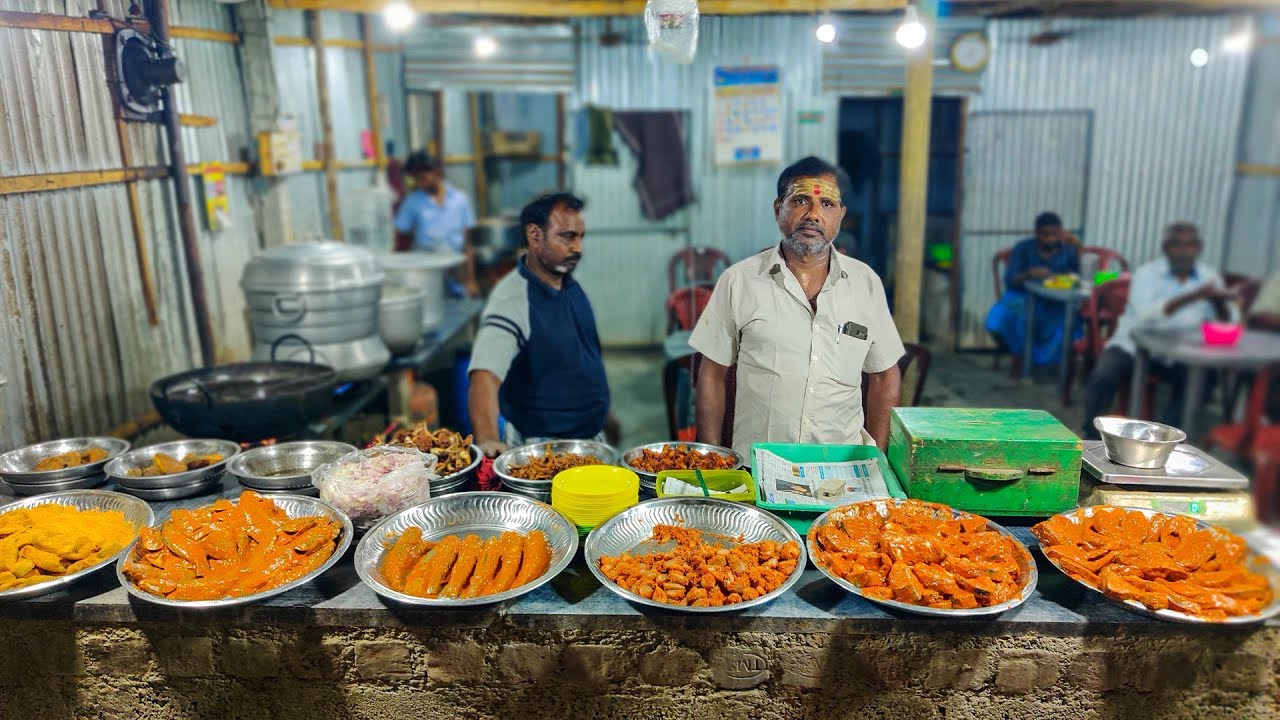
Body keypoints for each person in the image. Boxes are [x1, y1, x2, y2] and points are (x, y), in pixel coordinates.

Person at [691, 156, 905, 461]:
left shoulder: (865, 284)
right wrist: (714, 462)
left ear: (841, 214)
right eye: (801, 200)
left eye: (827, 204)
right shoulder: (739, 281)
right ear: (778, 208)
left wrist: (878, 461)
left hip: (843, 469)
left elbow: (885, 377)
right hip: (760, 467)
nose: (813, 214)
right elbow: (711, 375)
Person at [467, 192, 618, 457]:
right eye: (568, 237)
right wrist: (488, 438)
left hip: (588, 436)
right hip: (540, 449)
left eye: (581, 237)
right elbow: (484, 376)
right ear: (535, 236)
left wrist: (603, 412)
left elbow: (582, 356)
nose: (578, 247)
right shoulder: (513, 298)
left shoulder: (570, 286)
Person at [1082, 222, 1239, 437]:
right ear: (1166, 248)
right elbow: (1146, 314)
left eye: (1190, 245)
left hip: (1182, 353)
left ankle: (1161, 438)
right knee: (1103, 374)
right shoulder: (1147, 274)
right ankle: (1090, 436)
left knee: (1205, 380)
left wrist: (1219, 303)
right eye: (1177, 245)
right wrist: (1192, 297)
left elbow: (1229, 323)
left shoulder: (1209, 277)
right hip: (1134, 346)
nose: (1184, 251)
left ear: (1198, 248)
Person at [984, 212, 1082, 372]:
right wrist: (1028, 273)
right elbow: (1010, 280)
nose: (1050, 239)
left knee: (1068, 323)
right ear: (1036, 233)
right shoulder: (1023, 248)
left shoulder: (1067, 250)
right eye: (1045, 235)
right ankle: (1023, 358)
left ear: (1061, 233)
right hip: (1022, 296)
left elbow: (1077, 278)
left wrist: (1077, 249)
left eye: (1055, 235)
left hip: (1054, 301)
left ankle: (1044, 361)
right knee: (1007, 317)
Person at [394, 151, 480, 298]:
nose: (420, 183)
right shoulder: (412, 202)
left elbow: (467, 245)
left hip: (456, 270)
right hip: (426, 272)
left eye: (423, 177)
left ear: (437, 172)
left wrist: (471, 280)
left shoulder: (460, 200)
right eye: (416, 179)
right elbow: (401, 238)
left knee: (460, 312)